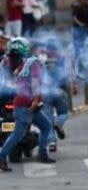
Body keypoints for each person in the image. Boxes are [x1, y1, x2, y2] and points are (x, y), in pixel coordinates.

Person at [0, 38, 55, 172]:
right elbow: (35, 84)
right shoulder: (34, 64)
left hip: (27, 103)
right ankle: (1, 158)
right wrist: (36, 100)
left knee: (46, 125)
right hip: (25, 105)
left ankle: (42, 154)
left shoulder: (23, 63)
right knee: (17, 135)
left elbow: (15, 74)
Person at [41, 40, 69, 153]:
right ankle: (58, 122)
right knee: (64, 113)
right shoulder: (61, 59)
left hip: (45, 93)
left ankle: (52, 142)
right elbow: (66, 75)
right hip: (58, 91)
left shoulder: (41, 60)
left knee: (47, 120)